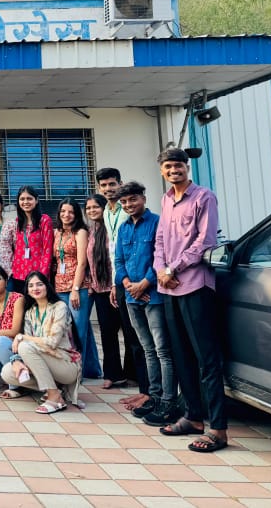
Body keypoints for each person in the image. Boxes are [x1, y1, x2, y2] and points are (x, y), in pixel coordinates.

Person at [154, 148, 228, 452]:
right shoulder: (166, 199)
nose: (174, 170)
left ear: (187, 167)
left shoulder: (204, 197)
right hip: (169, 288)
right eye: (168, 167)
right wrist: (160, 270)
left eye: (178, 165)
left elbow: (205, 241)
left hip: (195, 285)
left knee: (206, 359)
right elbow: (160, 240)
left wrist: (173, 268)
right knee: (181, 356)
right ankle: (193, 417)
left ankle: (218, 429)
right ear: (162, 171)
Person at [114, 181, 178, 427]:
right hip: (132, 297)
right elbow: (118, 261)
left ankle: (168, 400)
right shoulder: (123, 228)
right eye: (124, 202)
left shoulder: (158, 223)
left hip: (154, 296)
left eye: (133, 199)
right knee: (147, 349)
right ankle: (153, 396)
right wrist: (128, 284)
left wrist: (144, 284)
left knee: (163, 350)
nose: (129, 205)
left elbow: (163, 257)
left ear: (143, 198)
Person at [98, 166, 148, 405]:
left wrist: (137, 281)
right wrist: (114, 283)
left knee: (137, 335)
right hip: (119, 278)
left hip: (137, 279)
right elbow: (113, 252)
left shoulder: (128, 209)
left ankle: (143, 384)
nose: (108, 189)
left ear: (120, 183)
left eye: (112, 184)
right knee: (124, 331)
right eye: (104, 185)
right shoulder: (106, 212)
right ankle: (135, 381)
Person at [1, 271, 82, 413]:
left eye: (39, 284)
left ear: (47, 286)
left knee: (24, 345)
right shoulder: (30, 312)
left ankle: (54, 396)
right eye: (31, 286)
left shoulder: (60, 307)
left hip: (66, 365)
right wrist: (16, 361)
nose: (35, 288)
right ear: (27, 290)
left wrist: (22, 337)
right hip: (45, 361)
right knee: (7, 372)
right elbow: (27, 343)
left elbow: (52, 342)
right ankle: (56, 389)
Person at [52, 199, 101, 380]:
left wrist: (75, 288)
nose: (66, 215)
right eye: (63, 211)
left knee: (78, 330)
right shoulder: (57, 232)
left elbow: (82, 263)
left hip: (77, 288)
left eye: (71, 212)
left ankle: (76, 373)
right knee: (75, 329)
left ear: (77, 214)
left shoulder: (80, 232)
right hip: (59, 286)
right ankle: (92, 370)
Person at [85, 195, 128, 388]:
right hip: (100, 290)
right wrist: (91, 283)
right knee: (107, 334)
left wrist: (115, 285)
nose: (92, 210)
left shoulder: (112, 227)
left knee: (128, 332)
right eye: (88, 208)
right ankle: (113, 374)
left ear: (104, 208)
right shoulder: (90, 230)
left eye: (95, 207)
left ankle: (131, 373)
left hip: (117, 286)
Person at [10, 186, 53, 294]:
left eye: (29, 198)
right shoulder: (17, 222)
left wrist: (42, 276)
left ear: (36, 200)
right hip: (19, 275)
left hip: (37, 276)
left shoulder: (44, 220)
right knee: (21, 304)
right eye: (22, 199)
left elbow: (48, 251)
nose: (25, 202)